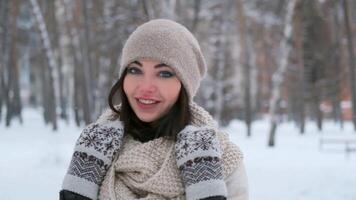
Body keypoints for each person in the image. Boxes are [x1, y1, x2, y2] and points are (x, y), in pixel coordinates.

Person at [60, 19, 248, 200]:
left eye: (164, 73)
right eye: (135, 70)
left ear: (185, 85)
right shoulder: (96, 147)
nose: (145, 87)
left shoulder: (219, 157)